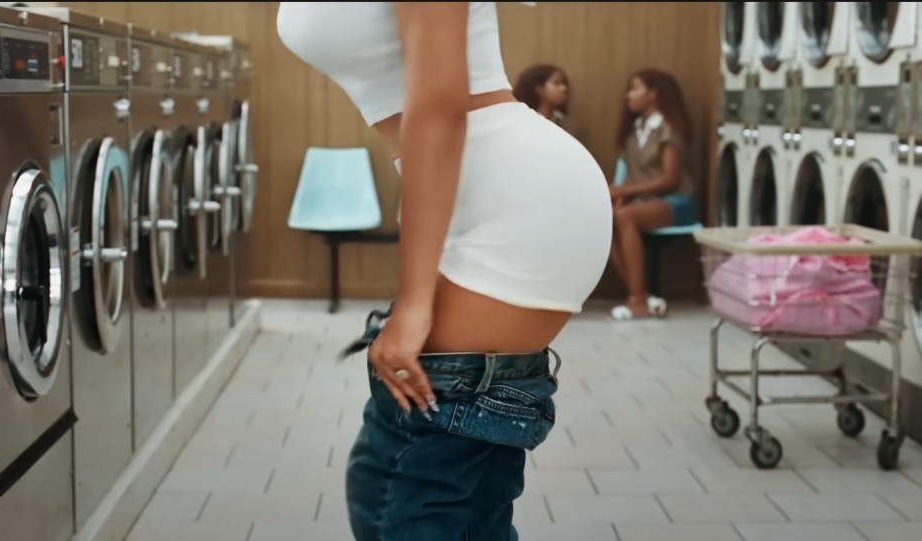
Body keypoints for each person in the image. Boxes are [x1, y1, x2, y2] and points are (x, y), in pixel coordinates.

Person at [277, 3, 611, 540]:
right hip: (488, 191)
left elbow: (439, 100)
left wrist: (413, 304)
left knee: (404, 486)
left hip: (510, 199)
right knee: (451, 498)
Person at [608, 68, 697, 321]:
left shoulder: (667, 128)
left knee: (626, 217)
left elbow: (671, 179)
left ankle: (636, 300)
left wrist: (626, 191)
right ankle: (644, 296)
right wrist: (619, 196)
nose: (629, 95)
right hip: (643, 203)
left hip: (674, 203)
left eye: (635, 88)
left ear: (654, 94)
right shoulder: (633, 131)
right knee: (606, 219)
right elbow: (629, 176)